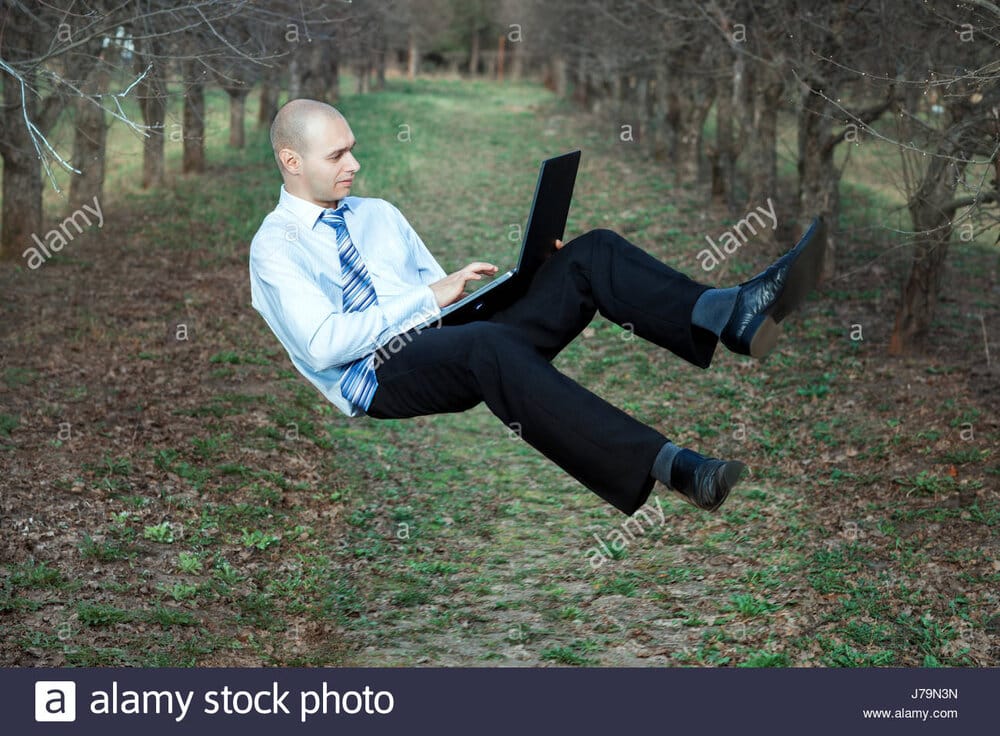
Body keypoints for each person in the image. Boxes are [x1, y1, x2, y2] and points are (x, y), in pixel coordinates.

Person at [249, 99, 824, 517]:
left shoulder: (378, 214)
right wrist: (429, 296)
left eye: (353, 149)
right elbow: (324, 345)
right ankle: (673, 465)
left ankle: (731, 313)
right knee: (485, 345)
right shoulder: (275, 248)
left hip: (452, 340)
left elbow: (443, 301)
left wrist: (528, 279)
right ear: (291, 160)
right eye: (337, 154)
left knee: (588, 254)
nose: (354, 164)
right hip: (375, 375)